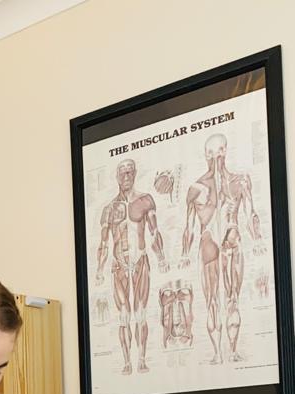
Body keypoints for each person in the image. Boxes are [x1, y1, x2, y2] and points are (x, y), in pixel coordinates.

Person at [179, 133, 265, 364]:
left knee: (233, 297)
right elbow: (189, 225)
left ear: (225, 151)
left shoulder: (240, 181)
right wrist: (185, 254)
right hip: (209, 243)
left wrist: (257, 240)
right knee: (212, 302)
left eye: (219, 150)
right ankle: (218, 353)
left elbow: (250, 212)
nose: (215, 156)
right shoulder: (196, 188)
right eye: (211, 152)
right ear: (205, 154)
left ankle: (232, 351)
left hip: (232, 241)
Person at [95, 158, 169, 374]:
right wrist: (99, 270)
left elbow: (154, 231)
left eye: (130, 172)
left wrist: (161, 257)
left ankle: (142, 359)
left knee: (141, 313)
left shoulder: (145, 200)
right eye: (122, 173)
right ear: (117, 176)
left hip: (140, 262)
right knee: (124, 316)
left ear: (135, 174)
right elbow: (103, 243)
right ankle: (127, 361)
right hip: (119, 266)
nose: (126, 176)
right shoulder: (109, 209)